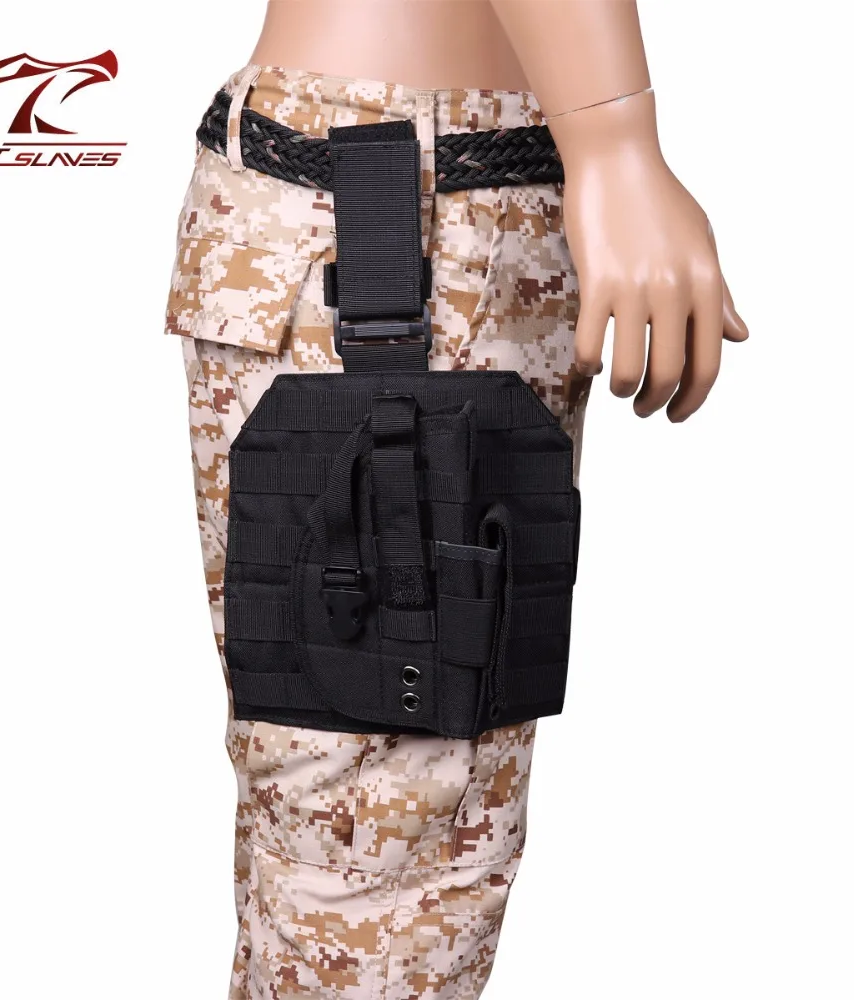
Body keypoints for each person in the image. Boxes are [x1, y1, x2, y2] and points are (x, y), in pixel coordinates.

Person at [165, 2, 748, 995]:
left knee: (339, 841)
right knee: (384, 864)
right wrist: (615, 140)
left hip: (380, 176)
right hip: (406, 208)